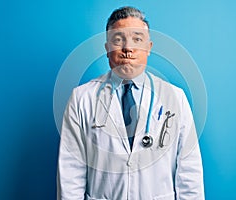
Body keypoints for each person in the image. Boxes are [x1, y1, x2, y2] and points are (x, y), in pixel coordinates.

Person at [57, 6, 204, 200]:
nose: (128, 48)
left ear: (149, 48)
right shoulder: (81, 98)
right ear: (107, 48)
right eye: (118, 40)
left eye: (137, 39)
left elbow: (189, 172)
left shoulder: (175, 98)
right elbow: (70, 173)